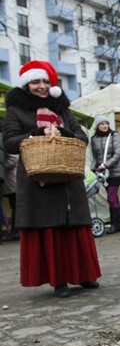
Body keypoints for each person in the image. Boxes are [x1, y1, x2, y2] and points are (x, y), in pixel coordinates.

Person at [2, 60, 101, 297]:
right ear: (27, 84)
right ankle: (59, 280)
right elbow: (10, 142)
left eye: (46, 81)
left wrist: (61, 133)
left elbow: (80, 134)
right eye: (36, 81)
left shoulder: (62, 108)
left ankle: (84, 275)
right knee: (51, 227)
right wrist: (38, 133)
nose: (42, 86)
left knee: (75, 226)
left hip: (68, 174)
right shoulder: (17, 110)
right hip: (38, 179)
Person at [90, 115, 120, 234]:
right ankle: (119, 224)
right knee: (113, 198)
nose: (105, 126)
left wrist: (106, 165)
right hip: (103, 174)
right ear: (97, 126)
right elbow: (95, 157)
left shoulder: (114, 135)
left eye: (106, 123)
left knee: (111, 196)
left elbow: (118, 154)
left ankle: (115, 224)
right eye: (102, 124)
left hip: (115, 172)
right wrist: (93, 169)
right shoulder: (94, 138)